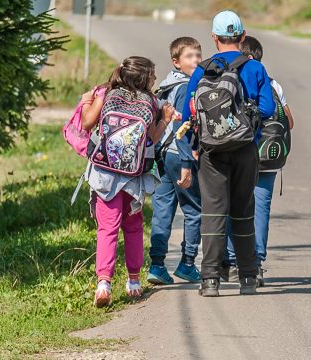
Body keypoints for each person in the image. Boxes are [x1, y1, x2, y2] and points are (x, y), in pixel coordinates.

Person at [181, 10, 275, 296]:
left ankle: (210, 280)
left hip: (211, 152)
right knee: (243, 210)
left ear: (214, 37)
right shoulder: (255, 68)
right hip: (246, 149)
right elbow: (269, 109)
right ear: (243, 36)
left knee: (214, 211)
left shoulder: (203, 68)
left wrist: (194, 150)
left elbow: (187, 113)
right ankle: (248, 277)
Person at [80, 56, 176, 307]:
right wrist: (164, 119)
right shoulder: (152, 102)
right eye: (153, 76)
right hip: (134, 178)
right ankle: (133, 282)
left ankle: (103, 283)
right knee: (133, 227)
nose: (155, 79)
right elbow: (152, 139)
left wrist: (86, 102)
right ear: (144, 78)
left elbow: (86, 123)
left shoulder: (107, 94)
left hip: (104, 174)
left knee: (107, 228)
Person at [222, 35, 295, 287]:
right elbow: (289, 122)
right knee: (261, 208)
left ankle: (232, 262)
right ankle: (257, 263)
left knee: (235, 206)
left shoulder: (233, 81)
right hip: (270, 156)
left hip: (241, 152)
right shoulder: (275, 85)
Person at [147, 37, 203, 285]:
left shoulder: (166, 86)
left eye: (198, 55)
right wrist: (186, 164)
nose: (197, 60)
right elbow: (182, 127)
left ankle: (157, 265)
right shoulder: (185, 87)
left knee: (162, 210)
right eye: (190, 56)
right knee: (193, 210)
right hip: (179, 156)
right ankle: (187, 263)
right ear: (176, 61)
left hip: (161, 157)